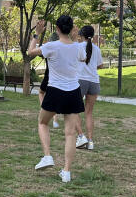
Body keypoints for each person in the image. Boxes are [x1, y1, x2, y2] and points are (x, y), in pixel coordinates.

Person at [28, 15, 85, 183]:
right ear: (71, 28)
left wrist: (37, 34)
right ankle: (66, 172)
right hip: (74, 92)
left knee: (42, 122)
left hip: (55, 91)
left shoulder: (51, 46)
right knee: (70, 134)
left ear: (57, 29)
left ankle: (47, 156)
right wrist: (74, 39)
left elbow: (30, 53)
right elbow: (80, 56)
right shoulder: (78, 47)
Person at [74, 25, 103, 150]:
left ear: (81, 35)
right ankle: (90, 141)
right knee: (89, 113)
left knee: (73, 110)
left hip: (80, 81)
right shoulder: (97, 49)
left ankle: (81, 136)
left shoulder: (78, 46)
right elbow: (100, 65)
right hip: (94, 82)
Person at [38, 32, 61, 128]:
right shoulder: (62, 49)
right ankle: (55, 119)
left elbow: (38, 52)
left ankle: (44, 110)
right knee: (56, 98)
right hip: (60, 77)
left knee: (41, 92)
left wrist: (39, 35)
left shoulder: (49, 50)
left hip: (48, 76)